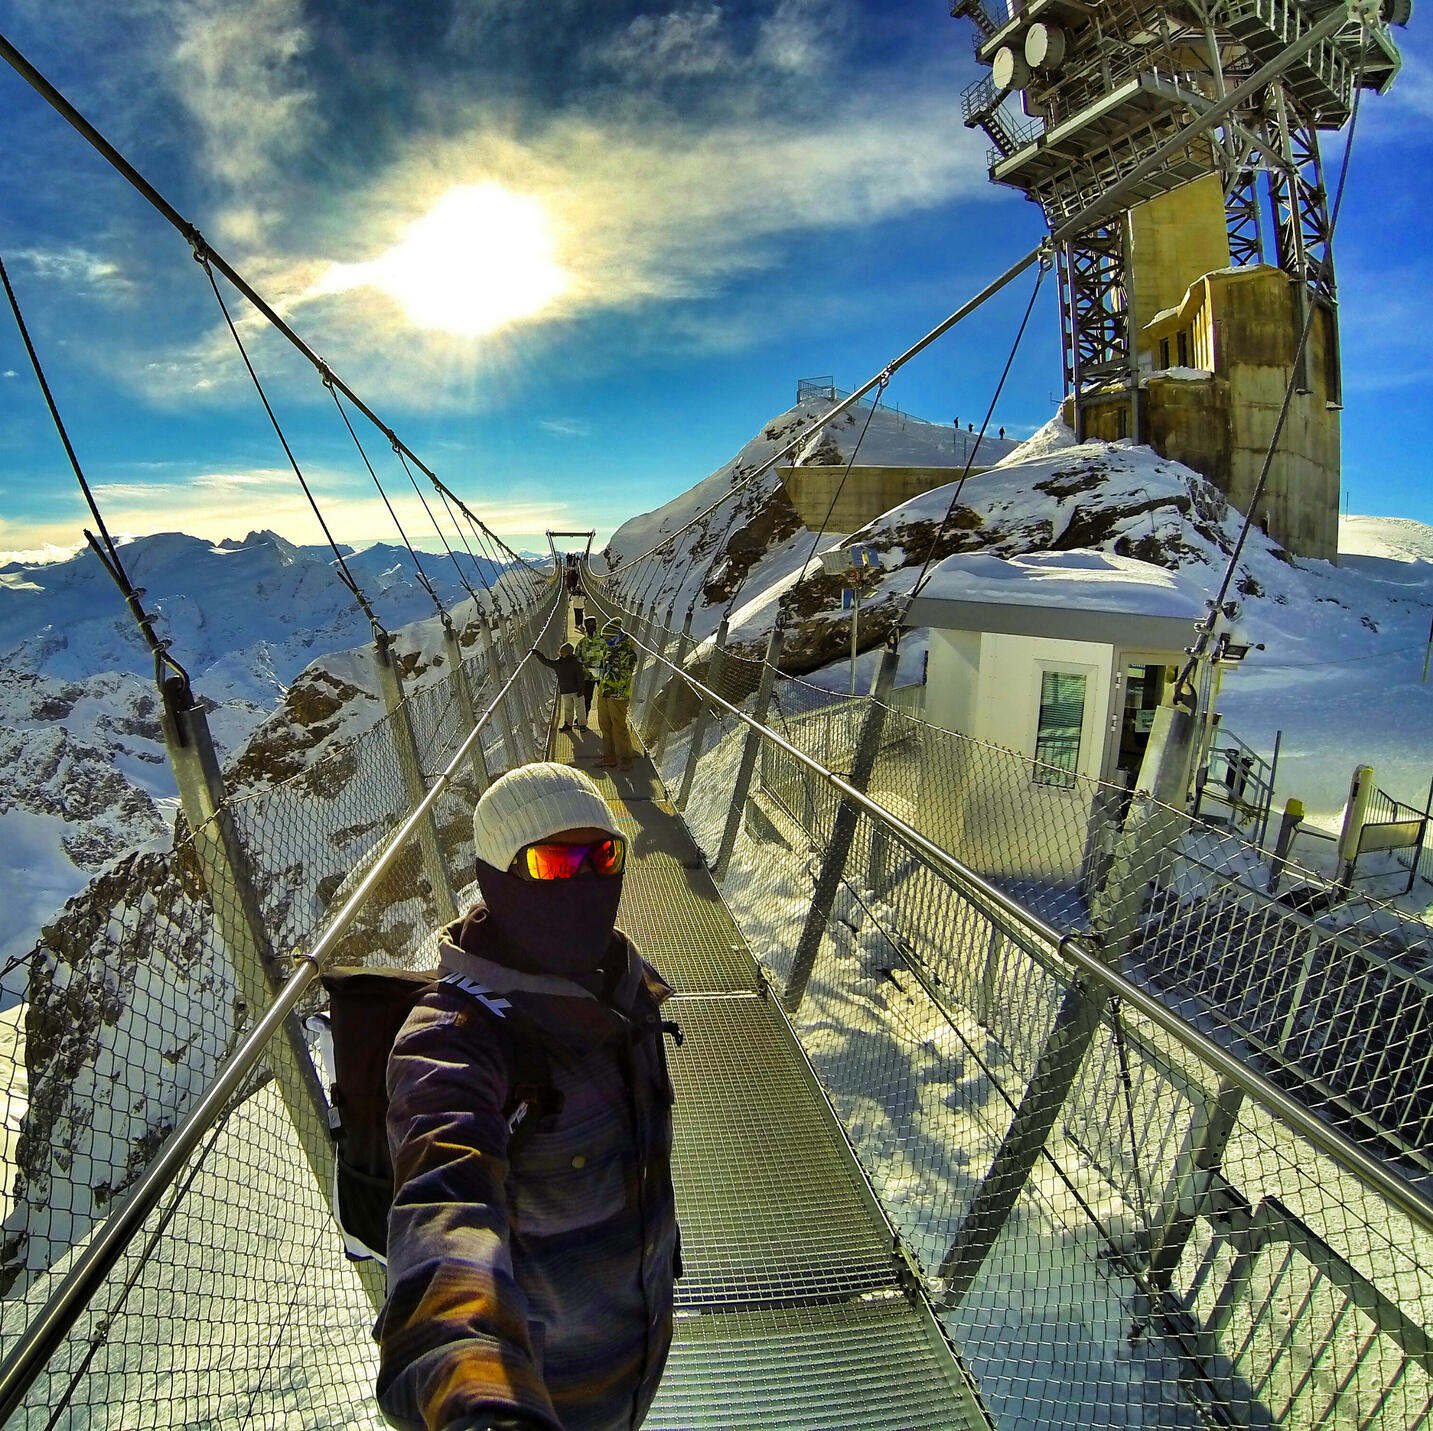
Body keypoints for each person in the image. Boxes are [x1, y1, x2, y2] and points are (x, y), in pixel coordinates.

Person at [377, 763, 681, 1431]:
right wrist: (474, 1382)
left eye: (603, 856)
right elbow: (444, 1205)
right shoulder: (453, 1037)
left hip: (639, 1349)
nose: (585, 880)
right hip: (545, 1392)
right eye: (553, 862)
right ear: (495, 877)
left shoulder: (627, 986)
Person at [595, 617, 638, 772]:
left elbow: (622, 677)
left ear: (615, 636)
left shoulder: (627, 653)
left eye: (608, 638)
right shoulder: (610, 649)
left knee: (619, 727)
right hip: (604, 693)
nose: (606, 641)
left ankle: (626, 760)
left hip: (618, 696)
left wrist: (602, 673)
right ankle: (609, 756)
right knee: (605, 725)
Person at [532, 640, 588, 732]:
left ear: (569, 653)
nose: (561, 653)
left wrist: (581, 689)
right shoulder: (560, 663)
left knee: (580, 708)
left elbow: (580, 677)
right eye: (561, 651)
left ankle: (582, 724)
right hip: (566, 690)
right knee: (568, 708)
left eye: (564, 652)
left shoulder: (573, 663)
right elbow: (546, 662)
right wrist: (538, 654)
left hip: (576, 690)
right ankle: (568, 724)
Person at [575, 618, 605, 727]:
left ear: (596, 625)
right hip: (587, 676)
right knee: (586, 699)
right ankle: (582, 720)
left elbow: (609, 654)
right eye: (589, 625)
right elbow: (577, 658)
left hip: (601, 674)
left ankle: (607, 721)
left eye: (593, 624)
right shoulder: (582, 643)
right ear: (586, 626)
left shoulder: (603, 640)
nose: (591, 626)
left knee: (605, 699)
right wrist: (583, 669)